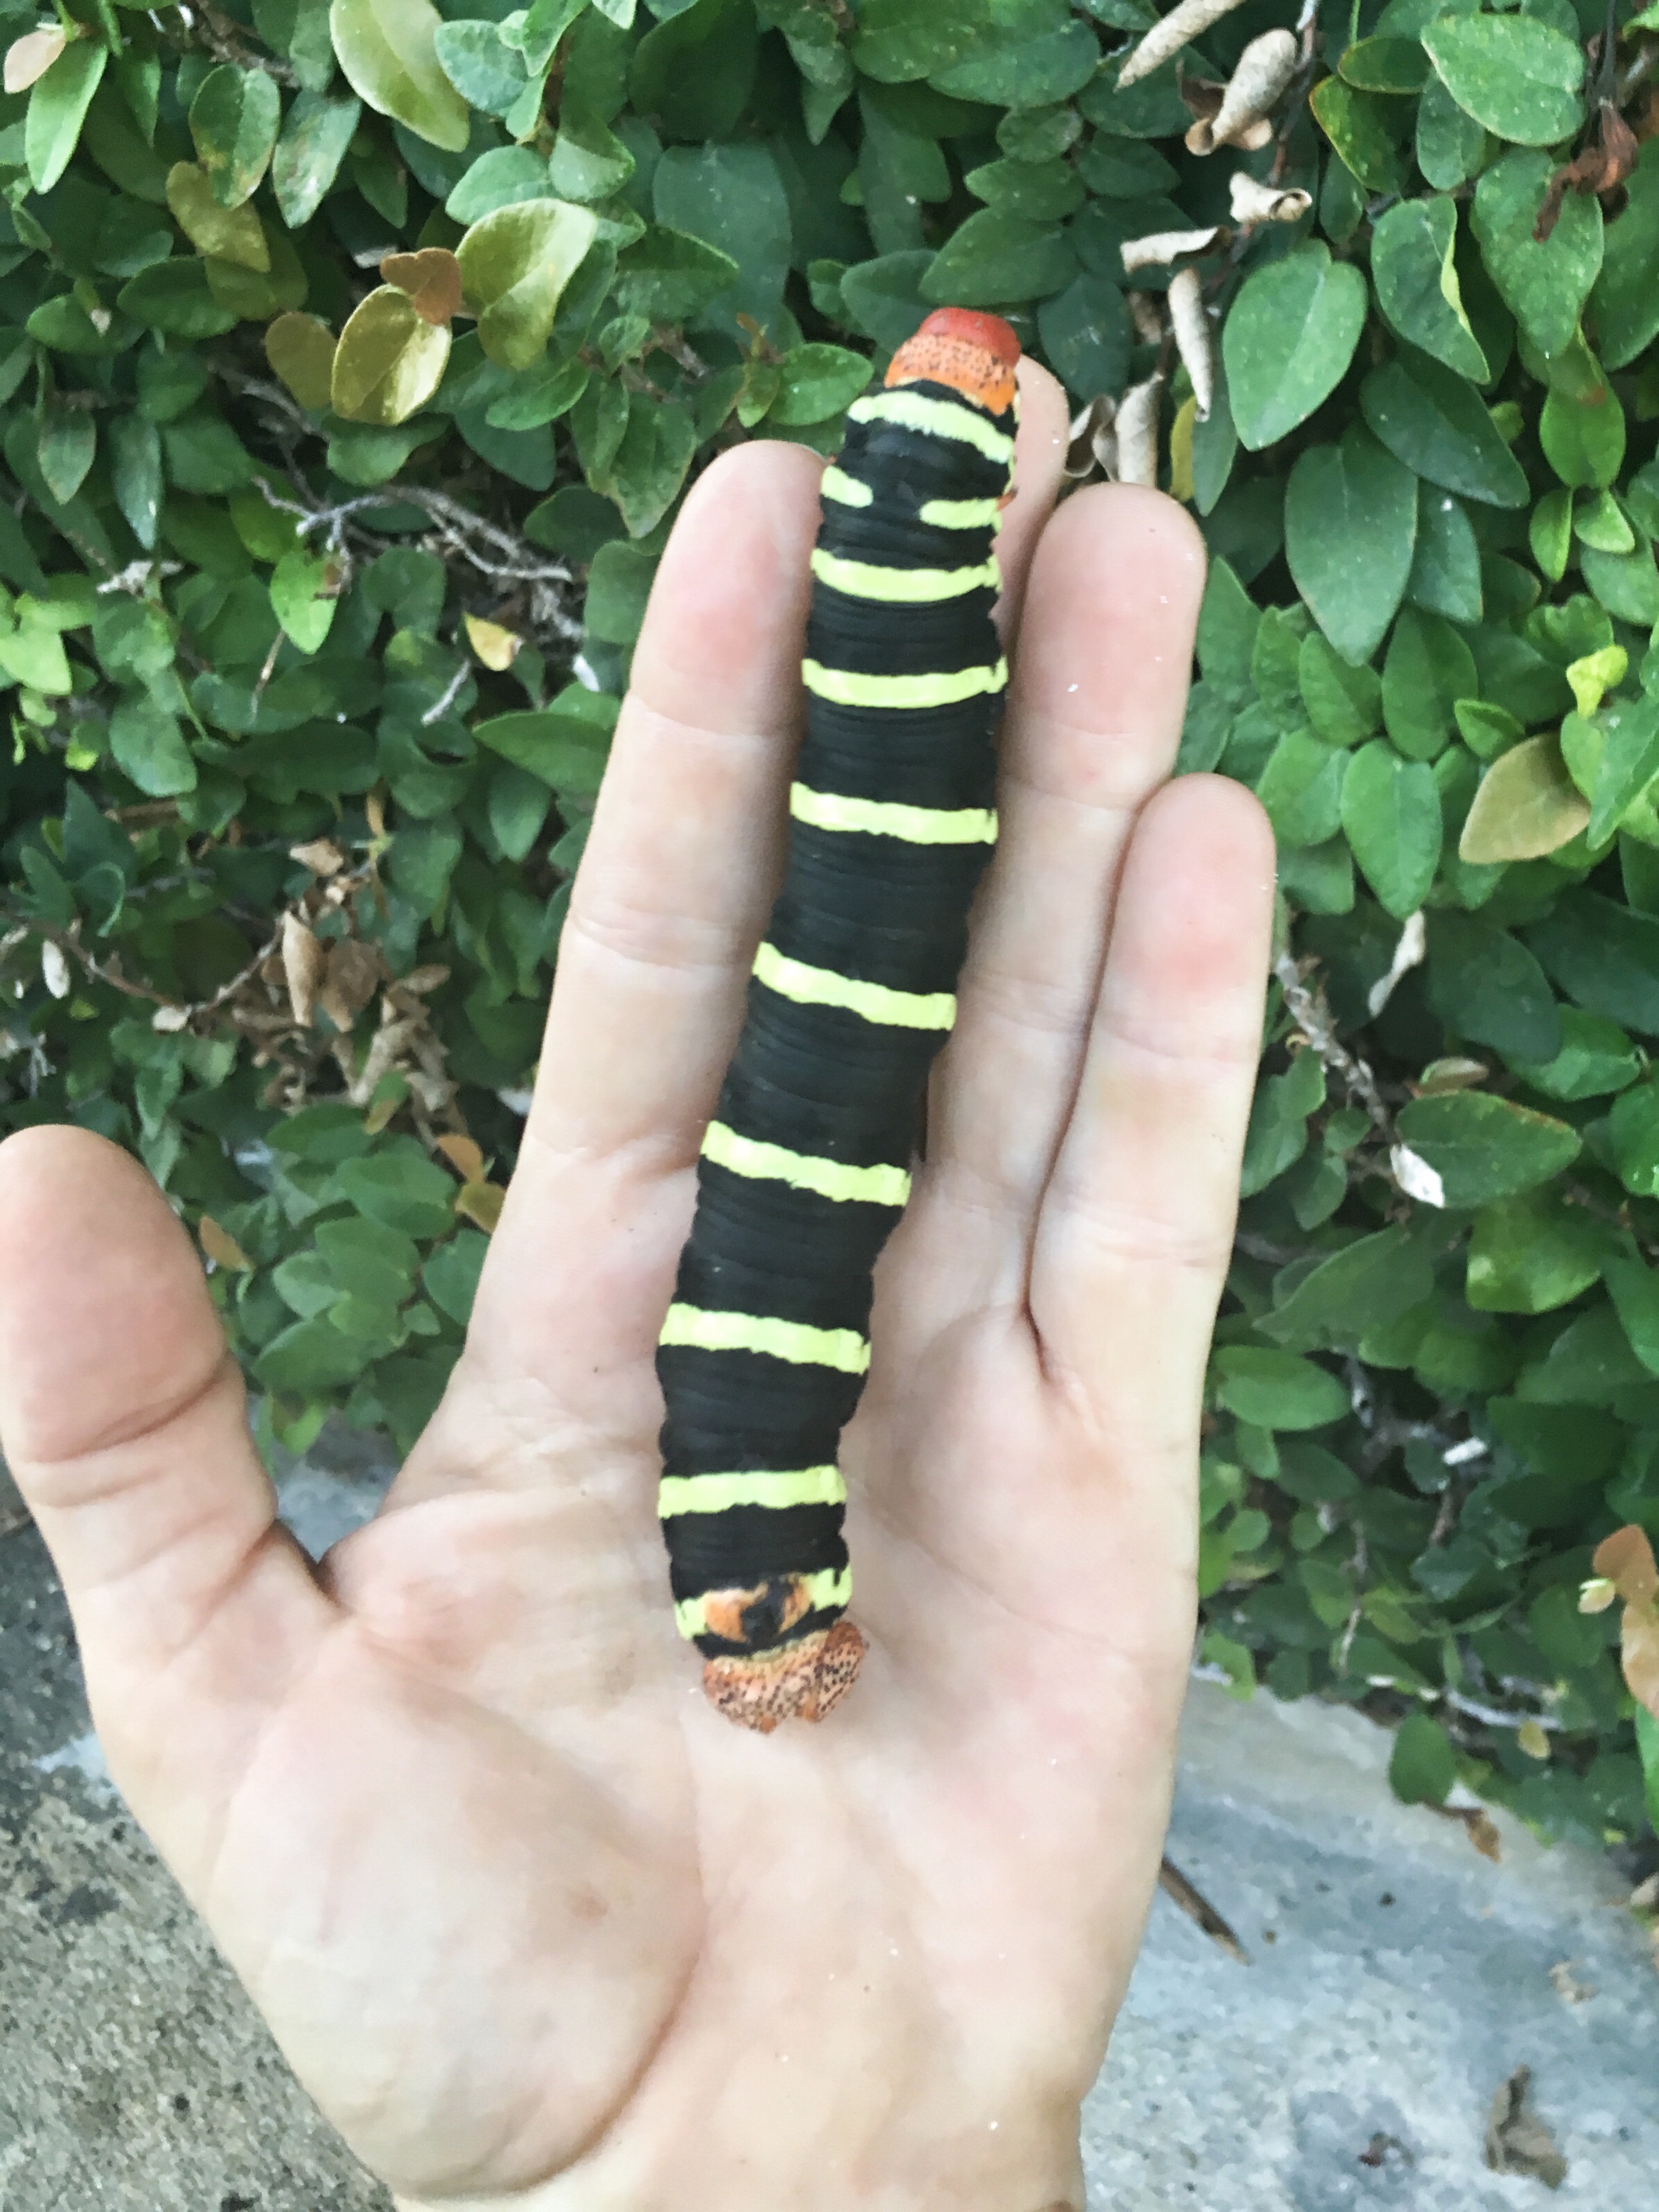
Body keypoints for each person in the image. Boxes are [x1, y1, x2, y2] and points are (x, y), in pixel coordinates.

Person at [0, 356, 1274, 2211]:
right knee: (864, 945)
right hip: (796, 1218)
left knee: (862, 973)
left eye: (764, 1621)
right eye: (771, 1618)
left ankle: (916, 493)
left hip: (807, 1213)